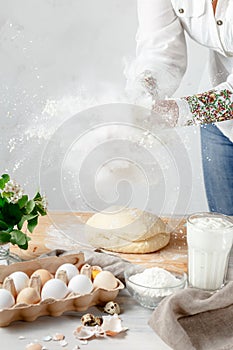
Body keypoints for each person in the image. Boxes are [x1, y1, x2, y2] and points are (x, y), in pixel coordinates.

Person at [125, 0, 233, 215]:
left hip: (211, 108)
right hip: (219, 120)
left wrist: (181, 111)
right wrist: (147, 87)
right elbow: (160, 51)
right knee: (224, 232)